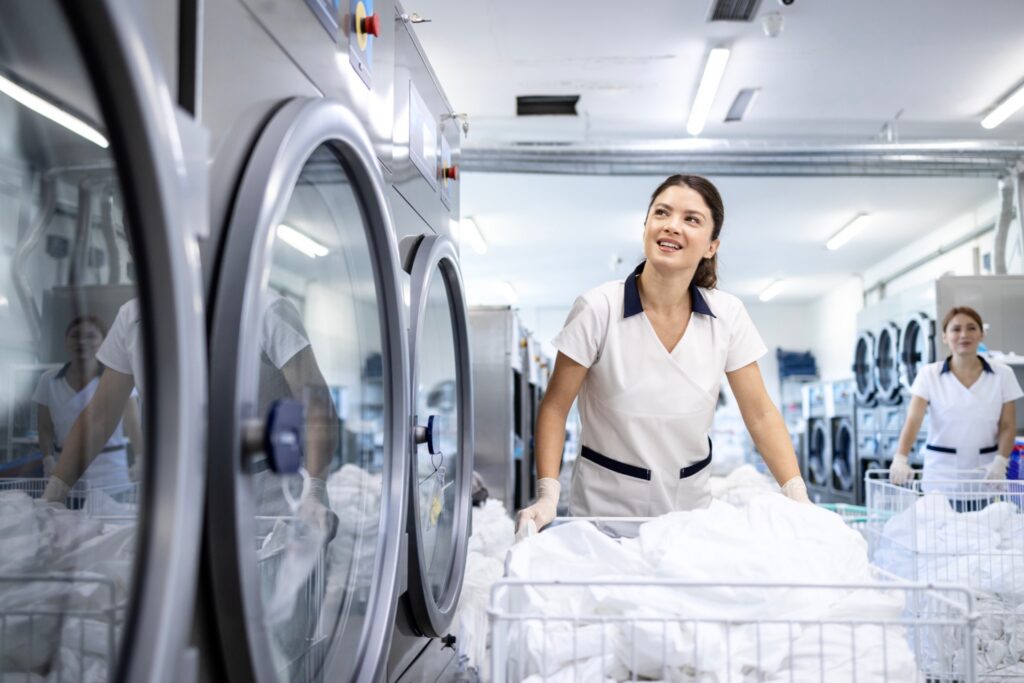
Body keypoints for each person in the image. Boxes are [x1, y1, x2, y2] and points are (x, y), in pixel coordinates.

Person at [516, 174, 809, 530]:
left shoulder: (727, 315)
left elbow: (760, 413)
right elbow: (555, 407)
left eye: (691, 219)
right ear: (645, 228)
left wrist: (795, 492)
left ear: (711, 247)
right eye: (662, 213)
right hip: (604, 515)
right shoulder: (598, 308)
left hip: (690, 516)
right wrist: (548, 493)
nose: (672, 226)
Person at [889, 306, 1022, 503]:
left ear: (981, 334)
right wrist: (900, 458)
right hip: (941, 477)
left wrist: (1001, 461)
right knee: (940, 530)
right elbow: (914, 419)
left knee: (982, 531)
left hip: (985, 474)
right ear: (944, 336)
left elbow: (1008, 425)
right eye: (956, 329)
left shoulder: (1003, 374)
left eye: (971, 328)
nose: (964, 335)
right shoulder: (929, 374)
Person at [33, 316, 141, 492]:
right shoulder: (48, 380)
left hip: (110, 475)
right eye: (75, 335)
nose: (82, 341)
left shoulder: (117, 377)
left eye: (91, 336)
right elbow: (44, 427)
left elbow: (133, 423)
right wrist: (48, 460)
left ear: (105, 342)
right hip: (65, 476)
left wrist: (140, 457)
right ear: (66, 341)